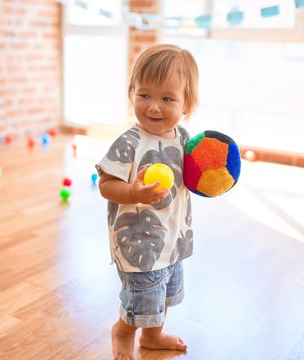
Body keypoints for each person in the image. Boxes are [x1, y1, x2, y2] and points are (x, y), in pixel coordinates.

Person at [95, 43, 199, 360]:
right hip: (139, 244)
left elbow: (194, 178)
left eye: (166, 99)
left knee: (164, 295)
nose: (153, 107)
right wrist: (133, 193)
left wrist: (213, 177)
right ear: (133, 93)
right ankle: (124, 332)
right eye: (144, 96)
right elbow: (106, 184)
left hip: (172, 238)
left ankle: (153, 336)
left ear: (186, 104)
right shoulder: (130, 142)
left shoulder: (184, 139)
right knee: (141, 297)